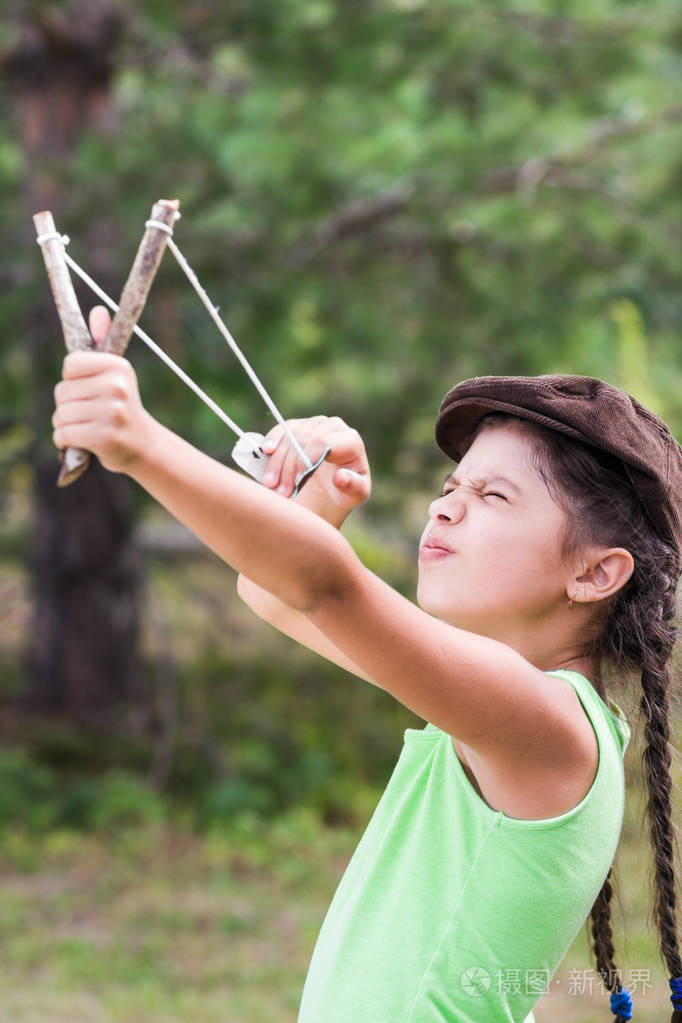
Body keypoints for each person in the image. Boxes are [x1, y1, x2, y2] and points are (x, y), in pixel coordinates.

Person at [52, 306, 682, 1023]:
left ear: (596, 573)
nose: (445, 510)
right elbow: (277, 596)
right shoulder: (500, 713)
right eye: (451, 487)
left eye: (493, 496)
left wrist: (139, 444)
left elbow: (323, 587)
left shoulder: (547, 723)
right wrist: (317, 507)